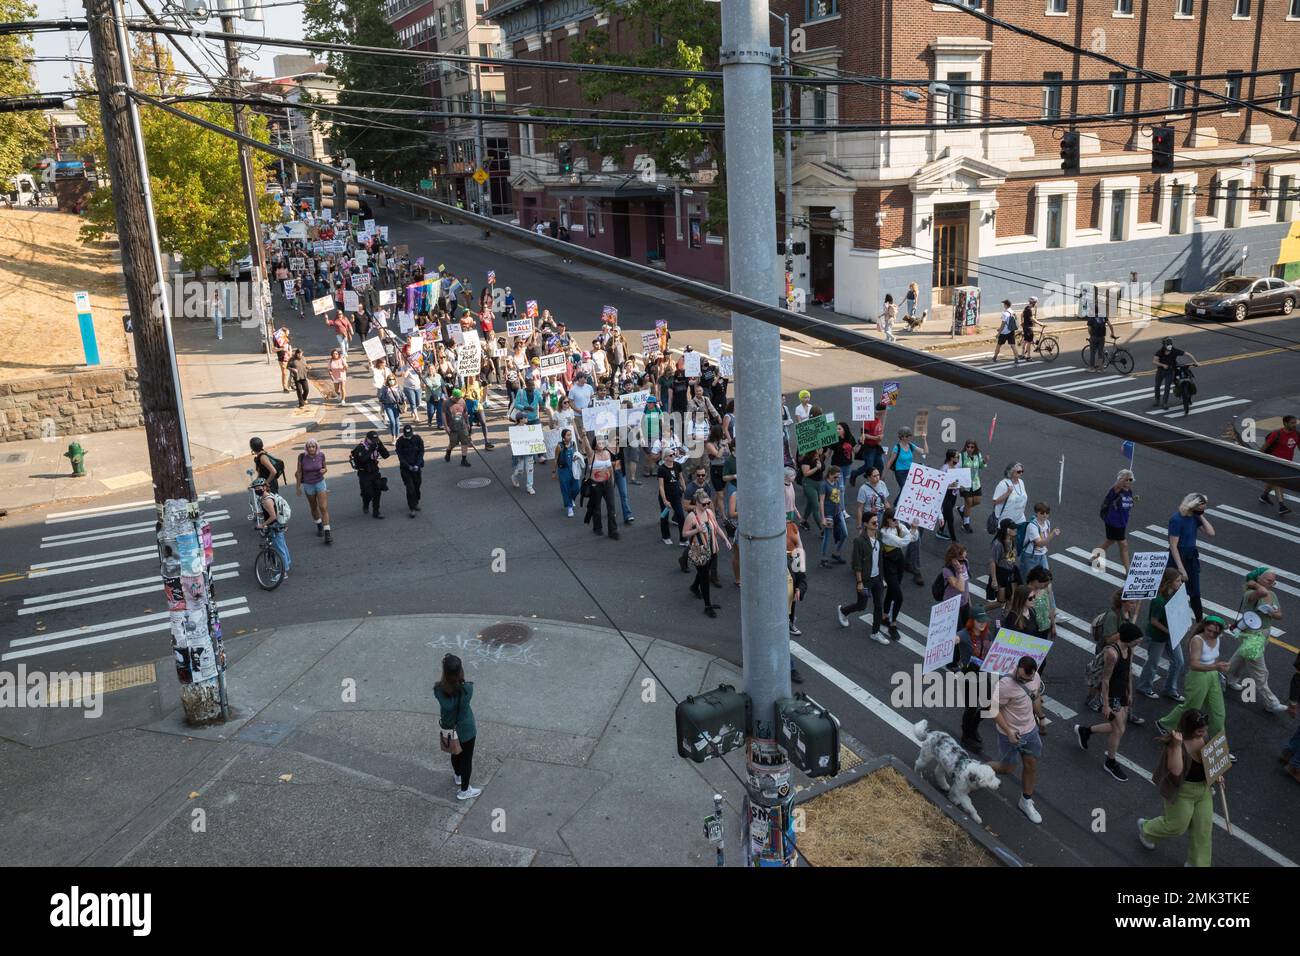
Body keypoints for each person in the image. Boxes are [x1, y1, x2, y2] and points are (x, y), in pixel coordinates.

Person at [1138, 709, 1214, 867]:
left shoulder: (1204, 737)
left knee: (1203, 829)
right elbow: (1176, 770)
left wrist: (1217, 775)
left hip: (1203, 789)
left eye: (1205, 729)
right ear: (1190, 728)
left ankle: (1197, 864)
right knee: (1177, 826)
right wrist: (1178, 746)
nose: (1205, 733)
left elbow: (1210, 760)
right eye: (1200, 730)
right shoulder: (1175, 745)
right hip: (1182, 792)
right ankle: (1147, 829)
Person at [1075, 622, 1142, 782]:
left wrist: (1130, 692)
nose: (1139, 642)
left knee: (1118, 726)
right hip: (1113, 695)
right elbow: (1105, 680)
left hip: (1122, 691)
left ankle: (1085, 731)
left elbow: (1128, 671)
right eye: (1137, 640)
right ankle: (1110, 762)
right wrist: (1105, 704)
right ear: (1129, 639)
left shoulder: (1130, 649)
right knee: (1119, 730)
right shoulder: (1112, 654)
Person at [989, 655, 1047, 824]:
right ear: (1017, 667)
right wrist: (1008, 732)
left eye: (1025, 678)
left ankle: (1026, 801)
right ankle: (980, 768)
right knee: (1006, 769)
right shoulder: (1005, 684)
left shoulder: (1035, 677)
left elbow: (1034, 697)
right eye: (1019, 676)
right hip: (1010, 735)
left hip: (1030, 731)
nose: (1020, 680)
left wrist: (1041, 717)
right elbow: (993, 709)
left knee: (1031, 764)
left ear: (1034, 673)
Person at [1224, 567, 1290, 714]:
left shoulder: (1272, 594)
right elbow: (1262, 592)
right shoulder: (1250, 593)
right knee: (1260, 670)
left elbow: (1280, 615)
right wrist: (1252, 583)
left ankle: (1225, 677)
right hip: (1252, 636)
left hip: (1265, 633)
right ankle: (1271, 702)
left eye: (1273, 582)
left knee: (1241, 657)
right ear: (1258, 579)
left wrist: (1273, 612)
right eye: (1268, 580)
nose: (1272, 584)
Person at [1157, 617, 1229, 741]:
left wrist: (1218, 670)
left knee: (1218, 713)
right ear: (1204, 627)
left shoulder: (1217, 639)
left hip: (1212, 675)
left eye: (1215, 632)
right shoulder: (1197, 640)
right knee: (1191, 708)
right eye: (1209, 630)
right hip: (1198, 676)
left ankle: (1218, 745)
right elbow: (1194, 665)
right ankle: (1165, 724)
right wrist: (1215, 666)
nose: (1211, 634)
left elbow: (1215, 657)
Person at [434, 654, 481, 801]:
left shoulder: (438, 690)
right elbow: (464, 687)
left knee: (455, 753)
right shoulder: (467, 689)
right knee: (467, 759)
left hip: (449, 728)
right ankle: (465, 791)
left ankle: (458, 775)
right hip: (466, 729)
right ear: (460, 671)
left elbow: (447, 697)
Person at [1136, 568, 1186, 702]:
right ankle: (1144, 686)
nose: (1180, 583)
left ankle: (1170, 689)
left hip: (1170, 634)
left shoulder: (1174, 594)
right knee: (1153, 663)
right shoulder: (1158, 600)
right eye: (1177, 581)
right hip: (1157, 636)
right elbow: (1153, 621)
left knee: (1179, 661)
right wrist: (1169, 631)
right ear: (1169, 582)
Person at [837, 511, 885, 642]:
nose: (876, 525)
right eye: (874, 523)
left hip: (877, 578)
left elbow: (880, 558)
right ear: (865, 524)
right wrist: (859, 582)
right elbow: (857, 563)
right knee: (862, 605)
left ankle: (875, 632)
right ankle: (843, 611)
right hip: (865, 579)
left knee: (879, 606)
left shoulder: (879, 537)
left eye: (877, 522)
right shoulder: (859, 541)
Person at [683, 489, 731, 617]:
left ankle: (694, 587)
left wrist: (726, 539)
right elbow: (684, 534)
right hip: (699, 550)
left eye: (708, 503)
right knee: (704, 577)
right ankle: (707, 605)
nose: (706, 506)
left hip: (712, 548)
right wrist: (696, 530)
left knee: (704, 572)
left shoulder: (709, 512)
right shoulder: (692, 516)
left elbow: (716, 526)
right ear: (697, 503)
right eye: (703, 504)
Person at [1167, 492, 1214, 619]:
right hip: (1178, 558)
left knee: (1195, 592)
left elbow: (1211, 532)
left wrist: (1201, 516)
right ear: (1192, 506)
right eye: (1201, 508)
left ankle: (1200, 619)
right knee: (1174, 590)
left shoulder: (1195, 517)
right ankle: (1170, 618)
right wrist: (1181, 569)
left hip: (1191, 556)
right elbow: (1173, 546)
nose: (1203, 510)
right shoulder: (1176, 520)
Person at [958, 605, 995, 750]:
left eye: (984, 621)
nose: (982, 624)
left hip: (984, 675)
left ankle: (973, 727)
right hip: (968, 677)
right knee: (971, 707)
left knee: (988, 705)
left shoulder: (988, 634)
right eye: (979, 621)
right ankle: (966, 736)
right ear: (972, 621)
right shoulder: (964, 634)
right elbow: (955, 638)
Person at [879, 509, 916, 640]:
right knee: (898, 596)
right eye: (894, 519)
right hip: (889, 563)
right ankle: (893, 624)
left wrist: (913, 529)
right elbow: (903, 542)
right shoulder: (884, 532)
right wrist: (911, 532)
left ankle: (884, 616)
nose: (897, 521)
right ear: (887, 519)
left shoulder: (899, 526)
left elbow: (913, 538)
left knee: (892, 591)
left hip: (899, 560)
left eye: (898, 519)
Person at [294, 438, 332, 545]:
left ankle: (327, 532)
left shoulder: (321, 455)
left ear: (316, 447)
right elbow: (299, 473)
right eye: (309, 446)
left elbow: (325, 468)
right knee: (313, 507)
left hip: (320, 483)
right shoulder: (302, 457)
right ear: (306, 448)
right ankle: (319, 524)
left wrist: (324, 470)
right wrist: (298, 487)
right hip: (308, 485)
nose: (311, 448)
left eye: (313, 446)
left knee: (323, 507)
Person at [1095, 469, 1135, 569]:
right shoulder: (1116, 489)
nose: (1129, 482)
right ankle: (1128, 571)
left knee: (1110, 541)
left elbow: (1127, 504)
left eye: (1131, 480)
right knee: (1124, 545)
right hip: (1113, 522)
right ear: (1121, 480)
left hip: (1122, 523)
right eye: (1127, 480)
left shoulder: (1129, 491)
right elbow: (1118, 485)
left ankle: (1094, 557)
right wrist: (1125, 476)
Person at [1258, 415, 1298, 516]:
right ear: (1285, 423)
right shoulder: (1277, 434)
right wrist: (1257, 459)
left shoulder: (1297, 434)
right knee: (1278, 482)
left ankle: (1264, 496)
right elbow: (1264, 448)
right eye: (1292, 423)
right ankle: (1281, 506)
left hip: (1287, 463)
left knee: (1274, 481)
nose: (1295, 425)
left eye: (1295, 422)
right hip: (1274, 462)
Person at [251, 476, 291, 579]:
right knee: (282, 545)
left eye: (258, 488)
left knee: (279, 548)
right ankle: (287, 563)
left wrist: (262, 524)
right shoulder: (268, 496)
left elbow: (273, 516)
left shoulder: (266, 501)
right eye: (255, 488)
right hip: (278, 524)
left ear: (264, 487)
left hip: (274, 526)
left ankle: (283, 572)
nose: (256, 490)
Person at [584, 436, 620, 539]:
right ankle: (597, 528)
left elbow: (610, 468)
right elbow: (586, 446)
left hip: (607, 483)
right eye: (598, 440)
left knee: (611, 507)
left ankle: (613, 531)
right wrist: (584, 435)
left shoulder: (607, 453)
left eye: (602, 440)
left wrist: (612, 481)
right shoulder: (591, 454)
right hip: (596, 484)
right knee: (597, 507)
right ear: (594, 444)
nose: (601, 442)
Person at [349, 430, 390, 517]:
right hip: (364, 473)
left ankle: (376, 511)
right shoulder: (360, 448)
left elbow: (386, 455)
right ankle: (366, 503)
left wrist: (381, 446)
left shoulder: (377, 445)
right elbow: (361, 460)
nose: (374, 442)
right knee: (368, 494)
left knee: (377, 491)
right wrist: (371, 449)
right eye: (372, 440)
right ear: (367, 439)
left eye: (376, 440)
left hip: (375, 471)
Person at [1151, 337, 1198, 410]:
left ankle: (1164, 403)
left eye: (1170, 344)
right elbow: (1154, 361)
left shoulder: (1174, 350)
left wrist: (1196, 362)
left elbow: (1188, 354)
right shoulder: (1160, 352)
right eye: (1168, 344)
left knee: (1167, 387)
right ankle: (1157, 400)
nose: (1169, 346)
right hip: (1160, 371)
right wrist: (1163, 365)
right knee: (1157, 386)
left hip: (1170, 371)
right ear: (1164, 345)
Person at [1018, 501, 1061, 578]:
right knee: (1029, 580)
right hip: (1030, 556)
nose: (1045, 515)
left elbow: (1045, 539)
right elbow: (1039, 543)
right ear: (1037, 513)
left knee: (1046, 578)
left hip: (1042, 555)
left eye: (1047, 513)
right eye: (1042, 513)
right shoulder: (1032, 526)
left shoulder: (1047, 522)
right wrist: (1052, 534)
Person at [817, 465, 848, 569]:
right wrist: (823, 518)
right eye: (835, 477)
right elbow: (821, 501)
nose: (837, 479)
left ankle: (836, 553)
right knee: (827, 536)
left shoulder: (837, 482)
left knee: (845, 534)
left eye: (838, 477)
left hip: (838, 512)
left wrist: (842, 509)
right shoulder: (824, 485)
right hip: (828, 513)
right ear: (829, 474)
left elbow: (839, 496)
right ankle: (823, 559)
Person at [849, 403, 888, 485]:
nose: (884, 414)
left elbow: (879, 429)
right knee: (868, 466)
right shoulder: (868, 420)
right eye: (884, 412)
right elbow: (864, 435)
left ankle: (878, 483)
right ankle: (854, 474)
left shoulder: (879, 419)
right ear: (880, 412)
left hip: (876, 447)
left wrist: (880, 436)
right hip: (868, 447)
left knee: (880, 465)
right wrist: (876, 438)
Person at [885, 426, 926, 501]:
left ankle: (899, 504)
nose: (909, 437)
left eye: (909, 435)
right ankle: (897, 504)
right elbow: (890, 462)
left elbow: (924, 451)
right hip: (900, 471)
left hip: (910, 471)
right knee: (904, 488)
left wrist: (924, 439)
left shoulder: (910, 445)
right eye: (907, 436)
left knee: (908, 489)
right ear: (902, 437)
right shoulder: (897, 448)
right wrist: (883, 476)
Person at [988, 518, 1021, 612]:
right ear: (1006, 530)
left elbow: (1012, 556)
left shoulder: (1013, 539)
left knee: (1011, 599)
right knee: (1001, 602)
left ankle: (1005, 620)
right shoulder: (997, 544)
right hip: (1001, 574)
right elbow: (993, 562)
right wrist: (994, 580)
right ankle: (981, 610)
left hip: (1011, 572)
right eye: (1013, 528)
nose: (1015, 530)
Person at [658, 444, 687, 545]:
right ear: (665, 457)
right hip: (666, 496)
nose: (673, 456)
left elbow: (681, 479)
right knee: (664, 516)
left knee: (681, 516)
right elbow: (661, 486)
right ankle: (665, 536)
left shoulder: (677, 465)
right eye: (671, 455)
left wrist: (685, 491)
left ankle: (683, 539)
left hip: (676, 495)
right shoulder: (661, 469)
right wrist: (665, 500)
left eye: (673, 454)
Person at [395, 423, 425, 518]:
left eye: (409, 435)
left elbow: (421, 452)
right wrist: (408, 466)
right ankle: (412, 508)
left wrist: (417, 464)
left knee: (417, 485)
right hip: (406, 469)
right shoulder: (400, 441)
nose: (408, 437)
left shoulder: (417, 439)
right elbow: (400, 457)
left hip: (416, 467)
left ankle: (416, 502)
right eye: (406, 435)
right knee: (410, 488)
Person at [990, 462, 1029, 533]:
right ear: (1011, 472)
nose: (1021, 473)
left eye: (1022, 471)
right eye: (1018, 472)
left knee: (1019, 541)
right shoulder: (1003, 484)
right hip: (1006, 520)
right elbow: (995, 501)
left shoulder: (1021, 482)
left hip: (1020, 519)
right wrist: (1007, 493)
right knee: (1006, 541)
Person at [956, 439, 985, 533]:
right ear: (966, 447)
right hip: (965, 484)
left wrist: (984, 461)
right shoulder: (961, 456)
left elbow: (981, 466)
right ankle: (966, 523)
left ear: (975, 448)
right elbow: (958, 469)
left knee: (977, 501)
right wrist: (960, 484)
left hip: (976, 483)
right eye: (968, 446)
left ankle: (962, 509)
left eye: (972, 447)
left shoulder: (978, 455)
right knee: (968, 502)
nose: (969, 448)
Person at [935, 448, 962, 541]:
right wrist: (951, 485)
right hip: (945, 495)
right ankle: (954, 540)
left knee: (946, 514)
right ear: (951, 458)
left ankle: (940, 531)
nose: (958, 458)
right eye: (957, 457)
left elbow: (959, 479)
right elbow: (940, 484)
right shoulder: (944, 468)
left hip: (953, 495)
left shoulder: (958, 466)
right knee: (950, 518)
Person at [554, 429, 583, 517]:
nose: (570, 437)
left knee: (577, 488)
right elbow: (556, 458)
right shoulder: (559, 446)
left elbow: (575, 453)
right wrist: (553, 471)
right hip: (563, 470)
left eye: (570, 435)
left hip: (573, 469)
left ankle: (572, 499)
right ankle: (569, 507)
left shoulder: (573, 444)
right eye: (568, 435)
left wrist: (576, 457)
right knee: (565, 489)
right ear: (563, 437)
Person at [443, 389, 474, 466]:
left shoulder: (462, 401)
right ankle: (448, 451)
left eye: (459, 398)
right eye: (456, 398)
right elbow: (443, 414)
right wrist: (446, 426)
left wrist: (467, 422)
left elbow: (465, 412)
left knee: (465, 442)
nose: (458, 399)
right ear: (452, 396)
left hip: (462, 426)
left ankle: (463, 460)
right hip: (452, 426)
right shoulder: (446, 403)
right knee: (453, 443)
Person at [854, 466, 890, 531]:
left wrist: (891, 514)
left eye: (878, 475)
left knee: (881, 536)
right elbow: (860, 508)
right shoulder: (863, 489)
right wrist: (859, 526)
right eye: (874, 476)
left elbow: (886, 502)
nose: (878, 478)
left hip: (882, 515)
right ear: (868, 477)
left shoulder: (882, 484)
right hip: (870, 517)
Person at [1085, 307, 1116, 371]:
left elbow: (1089, 329)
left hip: (1094, 337)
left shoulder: (1091, 318)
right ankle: (1101, 368)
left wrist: (1091, 335)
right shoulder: (1103, 316)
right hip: (1102, 337)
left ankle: (1091, 368)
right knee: (1100, 352)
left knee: (1092, 352)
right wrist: (1112, 333)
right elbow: (1110, 325)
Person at [992, 299, 1019, 364]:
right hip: (1011, 331)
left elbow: (1003, 324)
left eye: (1004, 304)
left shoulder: (1005, 313)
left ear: (1006, 305)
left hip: (1004, 332)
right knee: (1013, 345)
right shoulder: (1012, 311)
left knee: (998, 345)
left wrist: (998, 333)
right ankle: (1016, 358)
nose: (1003, 305)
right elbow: (1016, 318)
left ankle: (995, 357)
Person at [378, 375, 402, 440]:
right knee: (392, 421)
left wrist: (404, 404)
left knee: (397, 422)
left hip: (396, 406)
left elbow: (402, 396)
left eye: (393, 379)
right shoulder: (385, 388)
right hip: (388, 406)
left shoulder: (398, 387)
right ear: (388, 381)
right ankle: (393, 436)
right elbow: (381, 398)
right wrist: (381, 408)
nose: (391, 381)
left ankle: (397, 436)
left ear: (395, 379)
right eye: (390, 379)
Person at [1018, 296, 1038, 361]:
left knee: (1025, 341)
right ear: (1034, 303)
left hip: (1025, 327)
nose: (1036, 304)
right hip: (1029, 328)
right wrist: (1040, 323)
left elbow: (1021, 315)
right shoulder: (1029, 309)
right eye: (1035, 302)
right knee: (1029, 342)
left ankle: (1022, 355)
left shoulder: (1026, 307)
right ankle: (1028, 357)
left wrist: (1022, 322)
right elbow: (1032, 318)